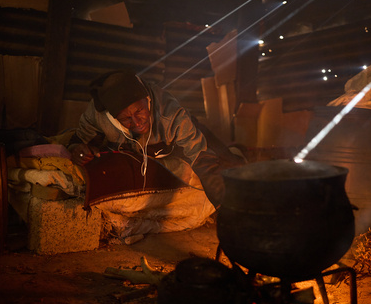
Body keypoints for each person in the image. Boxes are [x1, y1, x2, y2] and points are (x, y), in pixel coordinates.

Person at [67, 70, 245, 207]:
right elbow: (77, 142)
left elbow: (201, 157)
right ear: (113, 117)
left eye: (139, 111)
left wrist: (225, 206)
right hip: (151, 149)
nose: (137, 122)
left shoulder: (171, 114)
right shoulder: (97, 114)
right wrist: (78, 150)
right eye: (125, 119)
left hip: (188, 136)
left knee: (229, 162)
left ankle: (238, 155)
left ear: (147, 100)